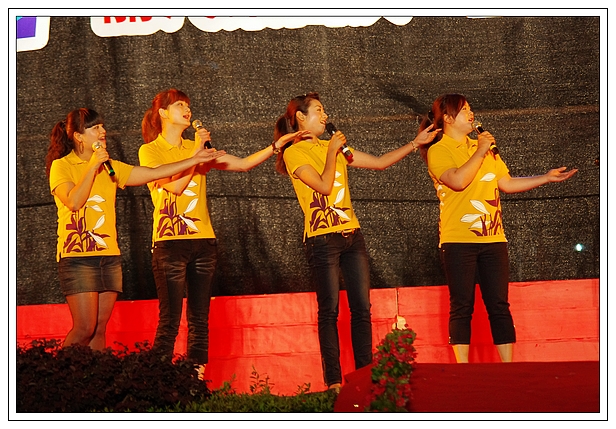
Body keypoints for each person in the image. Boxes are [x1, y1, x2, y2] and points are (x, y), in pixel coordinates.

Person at [273, 92, 439, 392]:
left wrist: (416, 143)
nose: (325, 116)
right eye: (319, 110)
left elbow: (379, 163)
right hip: (322, 239)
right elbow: (323, 186)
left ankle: (366, 375)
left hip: (352, 235)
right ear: (300, 117)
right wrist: (331, 151)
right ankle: (334, 382)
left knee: (362, 308)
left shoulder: (332, 148)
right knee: (329, 310)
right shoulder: (294, 153)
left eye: (324, 110)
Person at [139, 88, 304, 374]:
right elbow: (175, 186)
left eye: (188, 105)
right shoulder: (150, 150)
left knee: (199, 318)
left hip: (203, 242)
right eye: (179, 105)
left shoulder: (196, 147)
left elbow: (243, 165)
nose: (187, 110)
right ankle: (159, 380)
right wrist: (196, 154)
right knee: (170, 319)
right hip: (170, 243)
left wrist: (276, 146)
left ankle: (195, 380)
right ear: (163, 113)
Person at [418, 93, 577, 363]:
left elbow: (506, 183)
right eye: (464, 110)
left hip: (493, 238)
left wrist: (545, 178)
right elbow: (458, 181)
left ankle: (508, 369)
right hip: (458, 240)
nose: (471, 114)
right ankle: (463, 370)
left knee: (499, 305)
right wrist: (480, 150)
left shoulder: (483, 146)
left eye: (470, 108)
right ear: (447, 118)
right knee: (462, 306)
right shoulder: (439, 149)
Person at [46, 108, 221, 351]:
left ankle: (95, 374)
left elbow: (153, 173)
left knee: (99, 328)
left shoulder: (111, 167)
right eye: (95, 128)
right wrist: (92, 167)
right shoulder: (62, 166)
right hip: (78, 257)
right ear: (78, 136)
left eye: (102, 126)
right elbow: (74, 202)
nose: (103, 131)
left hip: (108, 255)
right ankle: (60, 374)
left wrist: (194, 159)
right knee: (85, 327)